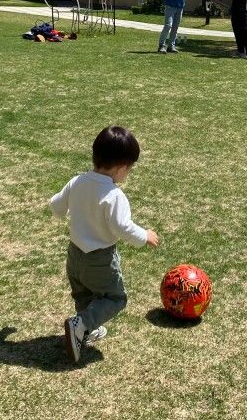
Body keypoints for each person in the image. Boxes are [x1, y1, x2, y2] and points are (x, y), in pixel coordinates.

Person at [50, 126, 160, 363]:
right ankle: (81, 324)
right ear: (121, 168)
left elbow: (56, 206)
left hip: (75, 255)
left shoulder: (77, 181)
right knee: (115, 299)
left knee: (84, 294)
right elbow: (123, 227)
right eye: (129, 169)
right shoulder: (114, 195)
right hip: (100, 259)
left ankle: (85, 330)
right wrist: (145, 235)